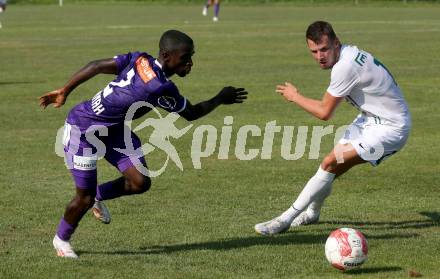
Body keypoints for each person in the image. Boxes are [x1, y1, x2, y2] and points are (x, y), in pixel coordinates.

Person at [39, 29, 247, 258]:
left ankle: (97, 196)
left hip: (112, 129)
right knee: (83, 198)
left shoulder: (141, 59)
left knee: (139, 182)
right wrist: (220, 98)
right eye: (185, 57)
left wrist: (65, 91)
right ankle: (61, 240)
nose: (190, 62)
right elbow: (191, 113)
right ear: (167, 56)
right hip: (84, 130)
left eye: (191, 56)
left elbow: (96, 65)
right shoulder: (159, 87)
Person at [254, 21, 411, 235]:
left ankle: (284, 220)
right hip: (370, 119)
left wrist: (295, 96)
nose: (320, 56)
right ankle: (312, 213)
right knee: (330, 168)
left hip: (391, 128)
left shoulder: (345, 67)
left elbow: (324, 112)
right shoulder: (348, 54)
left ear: (336, 43)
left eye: (324, 49)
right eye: (314, 51)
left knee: (330, 163)